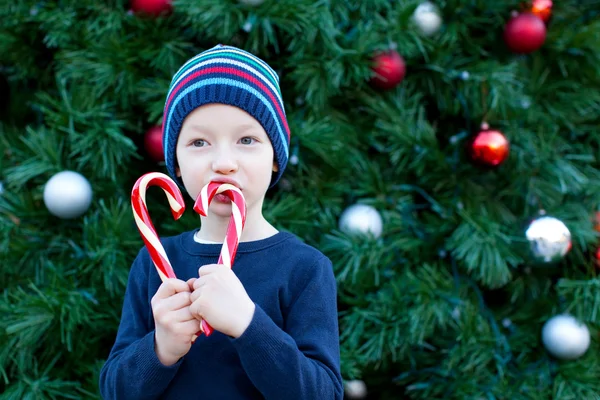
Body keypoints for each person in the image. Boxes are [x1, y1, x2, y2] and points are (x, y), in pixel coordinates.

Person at [99, 44, 343, 399]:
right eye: (199, 142)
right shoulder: (155, 264)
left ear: (275, 156)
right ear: (176, 164)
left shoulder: (305, 269)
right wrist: (161, 348)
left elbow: (322, 394)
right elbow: (115, 391)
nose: (224, 162)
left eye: (247, 139)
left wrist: (248, 324)